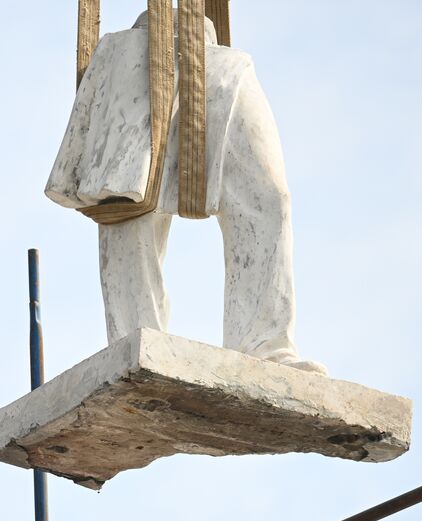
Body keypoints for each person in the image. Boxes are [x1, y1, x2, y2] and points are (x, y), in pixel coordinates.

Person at [45, 10, 326, 374]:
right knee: (128, 203)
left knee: (269, 196)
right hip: (140, 43)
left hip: (212, 51)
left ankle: (264, 348)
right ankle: (136, 340)